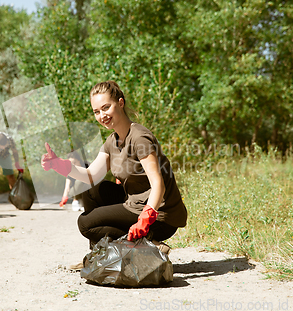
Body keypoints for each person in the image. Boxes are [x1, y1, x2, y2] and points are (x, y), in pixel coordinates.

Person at [41, 80, 187, 269]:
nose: (102, 115)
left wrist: (146, 218)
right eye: (96, 112)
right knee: (93, 189)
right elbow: (90, 175)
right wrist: (59, 165)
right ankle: (99, 255)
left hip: (160, 215)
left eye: (106, 107)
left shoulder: (139, 137)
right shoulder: (112, 141)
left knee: (85, 223)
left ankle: (148, 242)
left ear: (120, 103)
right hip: (135, 203)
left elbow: (158, 184)